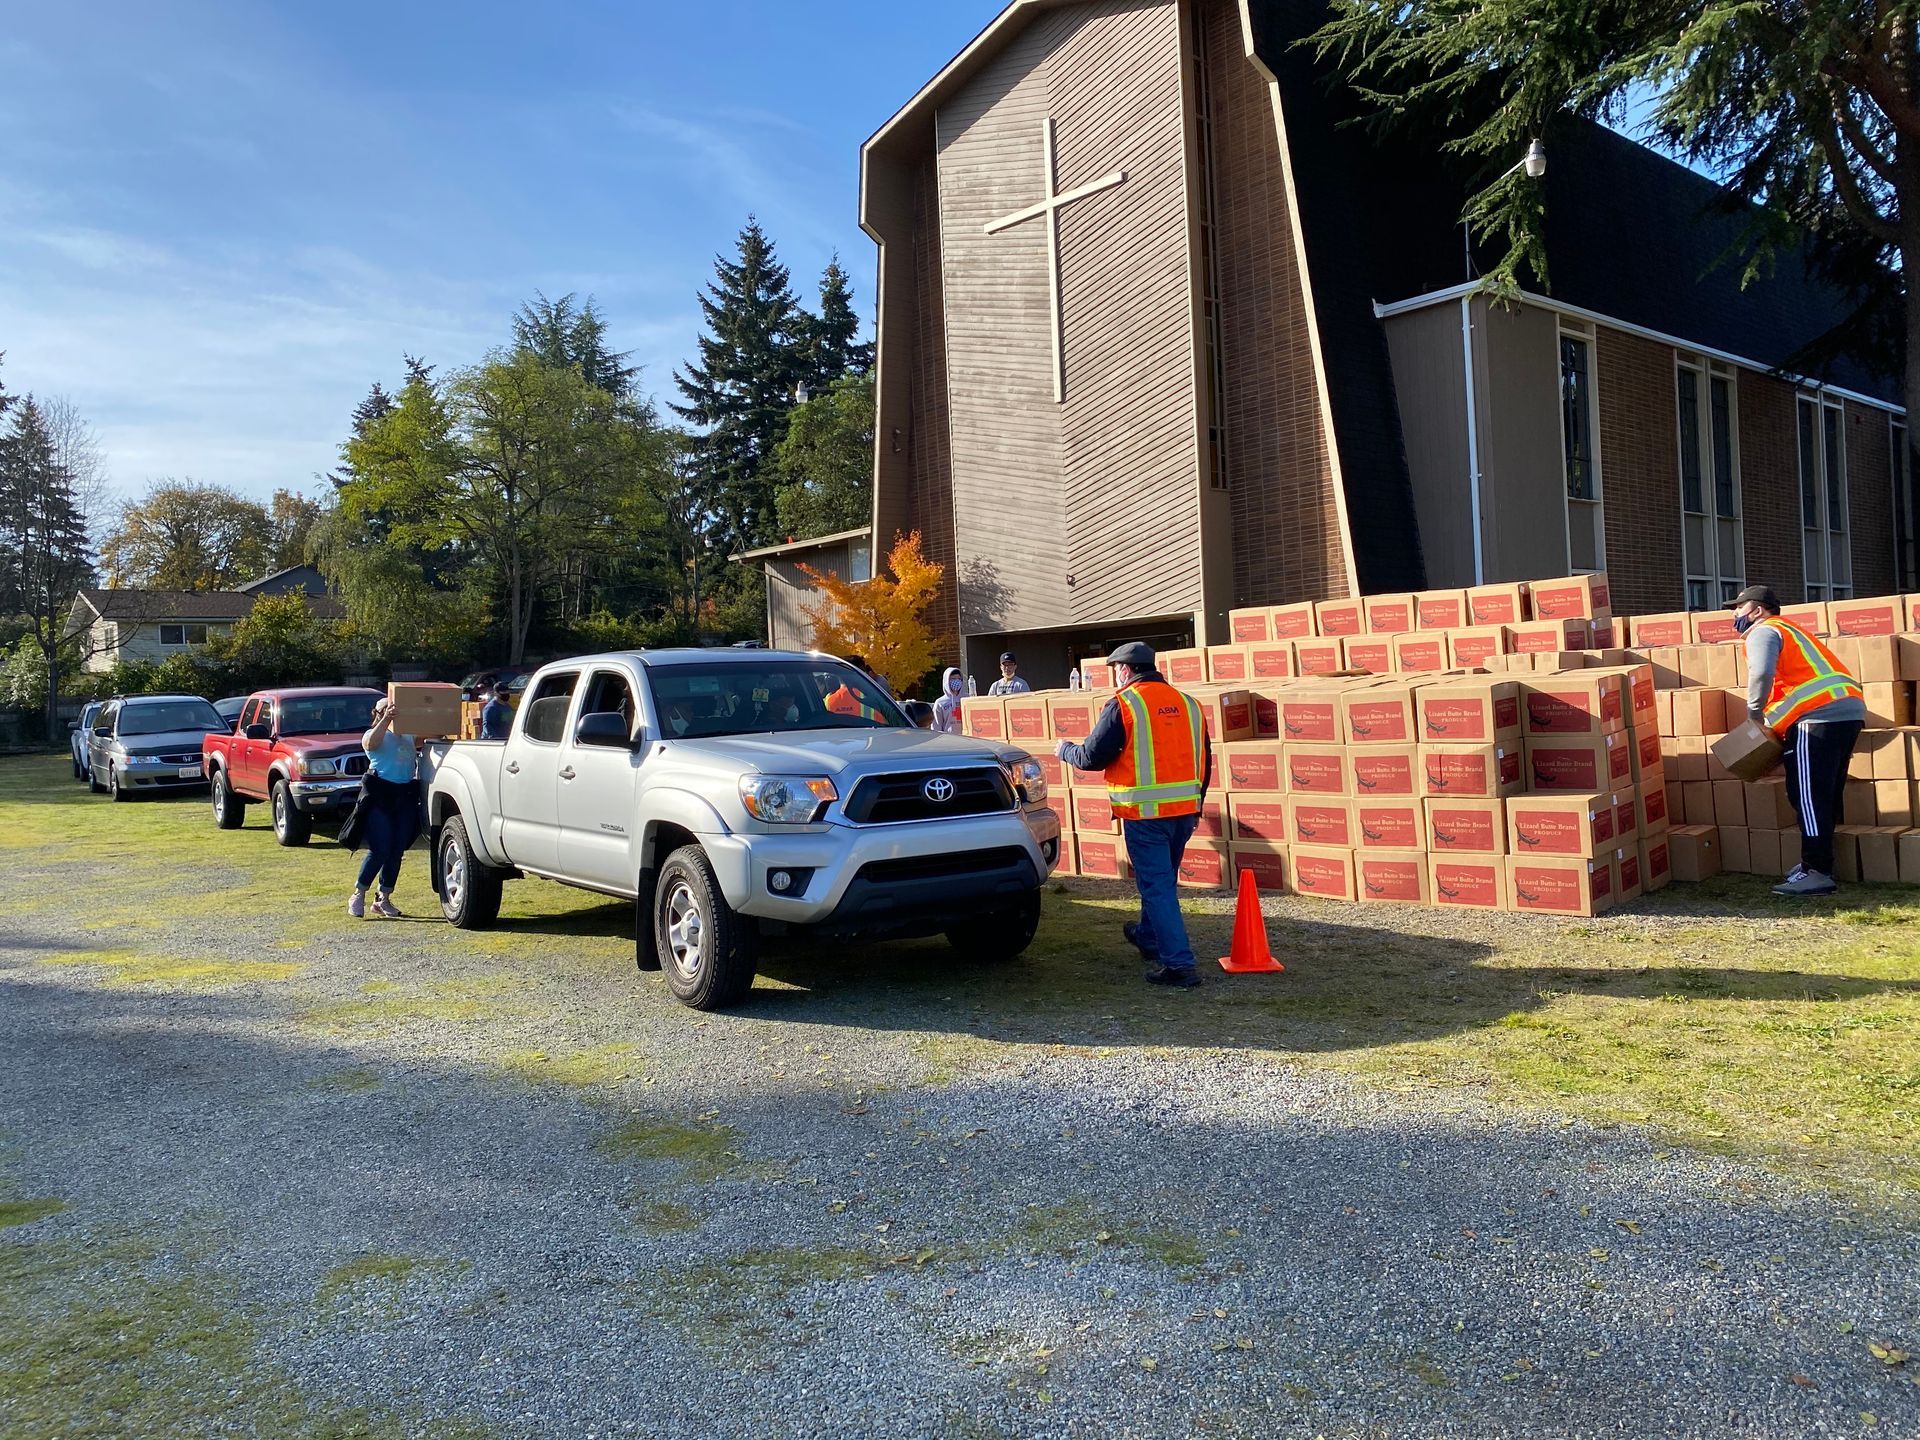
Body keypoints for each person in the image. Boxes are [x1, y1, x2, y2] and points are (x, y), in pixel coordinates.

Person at [1055, 641, 1212, 988]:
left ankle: (1179, 965)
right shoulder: (1189, 704)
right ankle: (1149, 937)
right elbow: (1206, 760)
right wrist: (1197, 804)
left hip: (1146, 817)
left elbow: (1091, 757)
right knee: (1161, 882)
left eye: (1116, 671)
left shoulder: (1124, 704)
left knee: (1157, 887)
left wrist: (1064, 750)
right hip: (1184, 812)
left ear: (1124, 670)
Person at [1732, 585, 1866, 897]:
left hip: (1815, 718)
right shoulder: (1791, 630)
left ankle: (1817, 871)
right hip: (1845, 712)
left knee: (1807, 795)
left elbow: (1761, 674)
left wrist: (1753, 716)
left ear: (1757, 610)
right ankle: (1814, 866)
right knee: (1824, 794)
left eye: (1739, 608)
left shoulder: (1764, 631)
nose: (1735, 615)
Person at [340, 696, 422, 919]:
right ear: (377, 713)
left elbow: (431, 735)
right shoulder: (373, 734)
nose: (393, 712)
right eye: (386, 709)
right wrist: (386, 718)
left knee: (396, 851)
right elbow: (370, 744)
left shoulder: (408, 735)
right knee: (380, 849)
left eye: (395, 709)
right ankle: (359, 893)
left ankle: (383, 898)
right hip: (380, 797)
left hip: (404, 796)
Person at [931, 666, 966, 734]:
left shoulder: (967, 698)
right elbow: (936, 727)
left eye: (959, 679)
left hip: (967, 739)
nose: (956, 681)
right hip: (950, 740)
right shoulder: (940, 703)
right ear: (947, 681)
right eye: (953, 679)